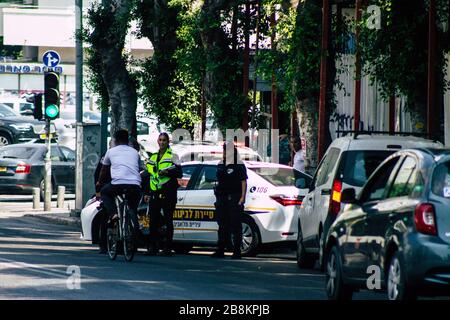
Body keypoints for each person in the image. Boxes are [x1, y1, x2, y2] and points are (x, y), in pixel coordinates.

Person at [96, 129, 142, 239]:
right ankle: (133, 220)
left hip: (118, 184)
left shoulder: (111, 152)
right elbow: (138, 167)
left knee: (104, 192)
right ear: (127, 140)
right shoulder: (135, 153)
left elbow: (103, 170)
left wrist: (99, 182)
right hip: (135, 185)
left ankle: (113, 214)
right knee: (132, 206)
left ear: (115, 140)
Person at [145, 132, 182, 256]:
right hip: (155, 190)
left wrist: (167, 172)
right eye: (160, 140)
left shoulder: (173, 155)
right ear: (157, 141)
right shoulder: (153, 156)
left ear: (168, 142)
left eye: (164, 140)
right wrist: (146, 192)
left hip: (168, 191)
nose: (162, 142)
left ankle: (167, 248)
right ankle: (152, 247)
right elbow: (148, 174)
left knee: (168, 219)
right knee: (153, 220)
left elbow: (179, 172)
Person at [211, 141, 248, 259]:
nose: (226, 152)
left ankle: (237, 251)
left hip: (234, 197)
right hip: (222, 197)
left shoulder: (239, 164)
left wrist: (242, 197)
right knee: (222, 225)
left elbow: (243, 181)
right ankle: (220, 249)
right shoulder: (221, 163)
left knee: (235, 225)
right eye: (224, 150)